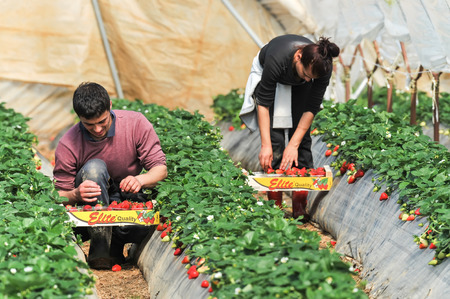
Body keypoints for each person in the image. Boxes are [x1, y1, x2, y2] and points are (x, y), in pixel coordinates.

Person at [53, 82, 168, 269]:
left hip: (127, 198)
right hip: (91, 207)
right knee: (94, 169)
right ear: (79, 117)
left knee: (139, 227)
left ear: (110, 107)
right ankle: (100, 247)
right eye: (89, 124)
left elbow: (160, 169)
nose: (97, 129)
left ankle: (115, 244)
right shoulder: (68, 143)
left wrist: (140, 179)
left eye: (102, 121)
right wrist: (75, 194)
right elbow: (58, 194)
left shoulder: (136, 123)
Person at [240, 35, 340, 219]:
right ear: (298, 56)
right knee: (274, 138)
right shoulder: (277, 58)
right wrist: (266, 145)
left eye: (312, 78)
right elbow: (264, 102)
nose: (309, 80)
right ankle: (275, 205)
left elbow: (311, 107)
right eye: (306, 75)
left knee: (302, 140)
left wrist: (293, 145)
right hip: (274, 73)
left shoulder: (322, 67)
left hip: (296, 80)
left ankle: (300, 207)